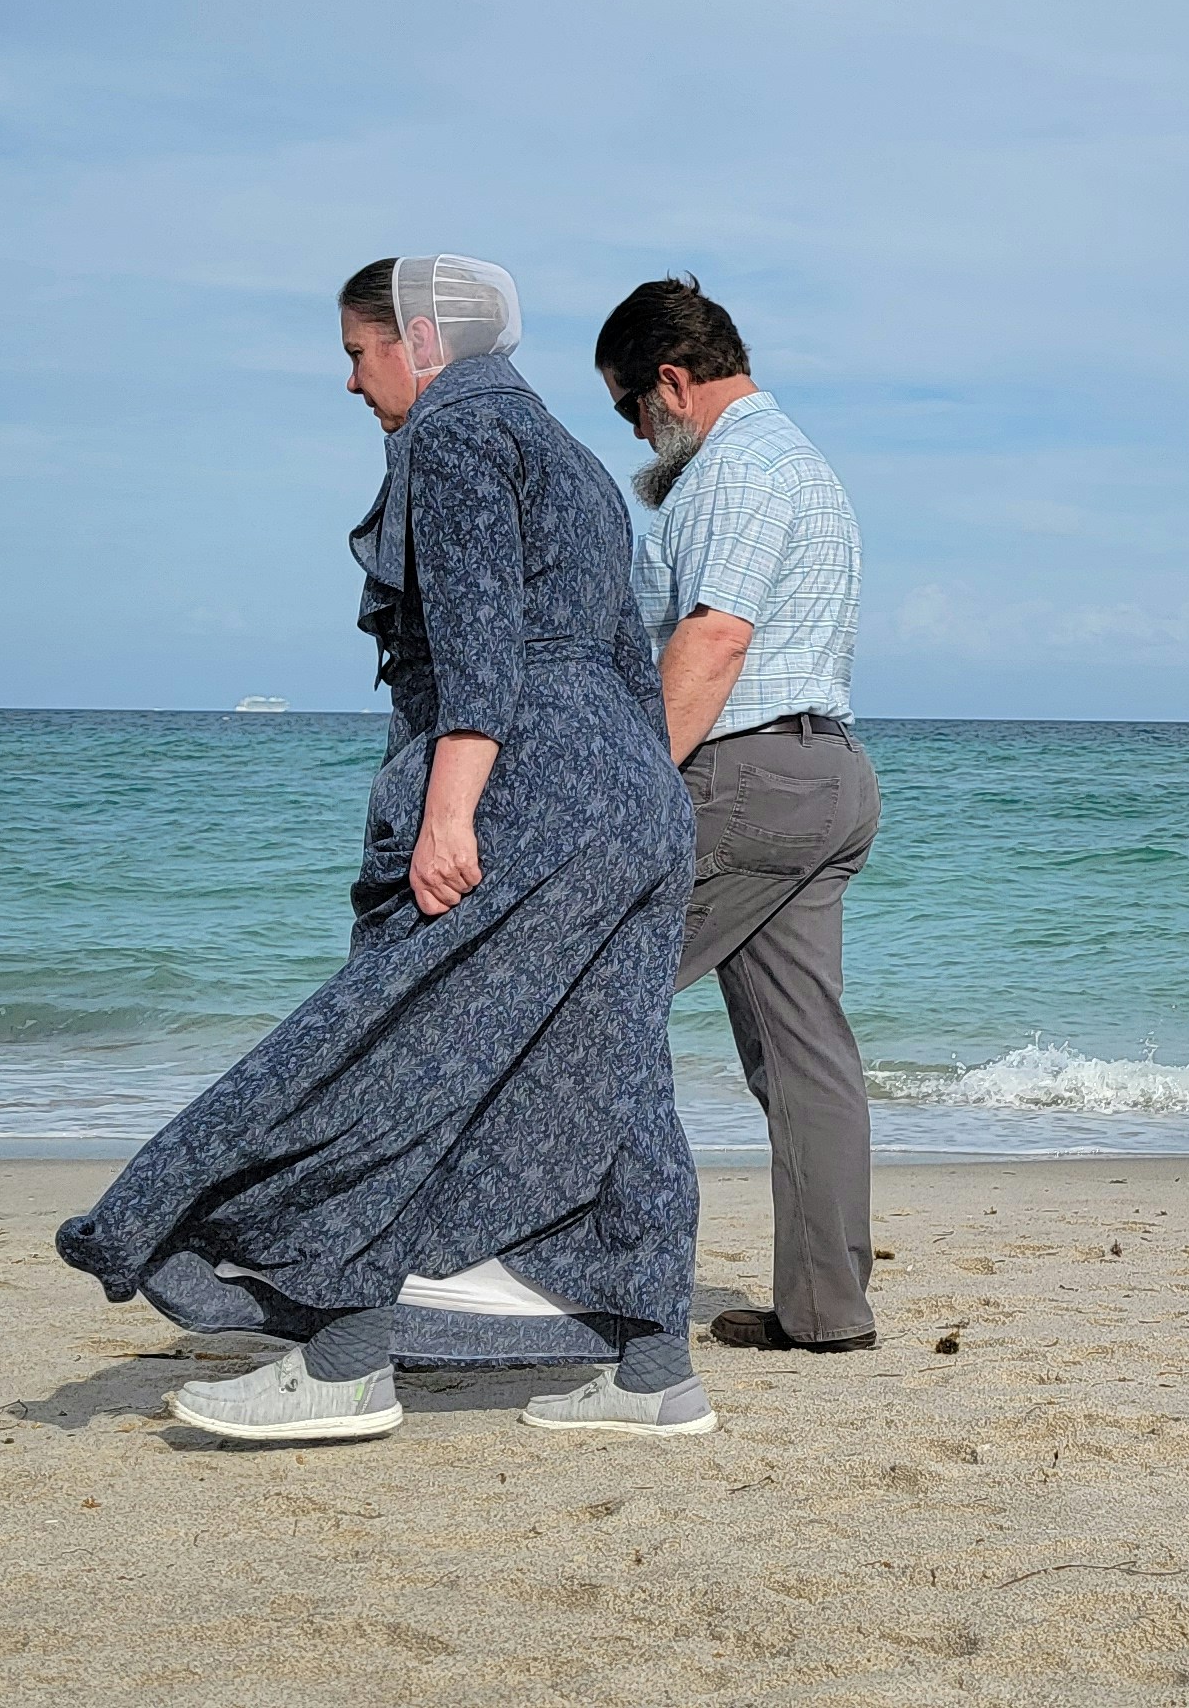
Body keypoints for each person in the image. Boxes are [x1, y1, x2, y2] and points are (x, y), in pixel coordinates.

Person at [57, 256, 718, 1440]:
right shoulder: (573, 457)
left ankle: (346, 1360)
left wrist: (451, 808)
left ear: (420, 339)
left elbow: (475, 646)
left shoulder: (454, 434)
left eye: (361, 354)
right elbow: (626, 656)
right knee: (612, 1072)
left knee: (386, 1055)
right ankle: (651, 1373)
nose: (354, 384)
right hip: (634, 791)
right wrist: (633, 804)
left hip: (524, 774)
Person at [599, 277, 881, 1354]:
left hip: (746, 775)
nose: (635, 431)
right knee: (805, 1059)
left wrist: (632, 786)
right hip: (826, 776)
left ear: (671, 381)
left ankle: (556, 1270)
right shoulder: (802, 462)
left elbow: (712, 641)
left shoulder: (735, 470)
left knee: (574, 993)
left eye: (630, 407)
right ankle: (825, 1313)